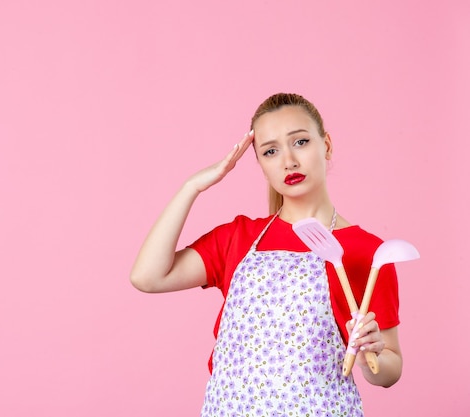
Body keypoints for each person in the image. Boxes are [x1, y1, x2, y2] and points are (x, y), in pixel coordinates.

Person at [130, 93, 402, 416]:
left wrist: (372, 354)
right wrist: (193, 186)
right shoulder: (238, 238)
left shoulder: (365, 251)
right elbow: (146, 276)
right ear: (260, 164)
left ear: (326, 145)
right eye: (270, 151)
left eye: (299, 142)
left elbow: (390, 369)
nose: (288, 161)